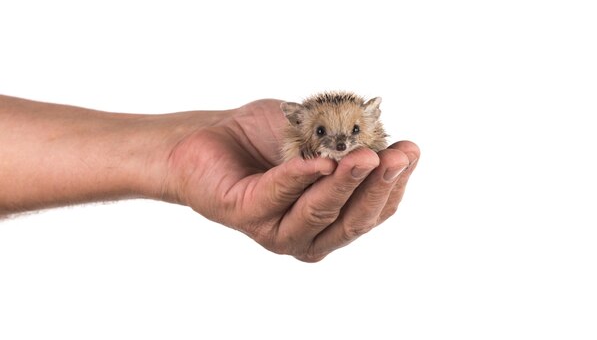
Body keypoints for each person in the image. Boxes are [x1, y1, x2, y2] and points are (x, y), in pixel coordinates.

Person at [0, 94, 419, 262]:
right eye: (325, 132)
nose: (342, 142)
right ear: (297, 122)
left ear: (371, 122)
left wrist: (176, 148)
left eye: (354, 132)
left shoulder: (364, 144)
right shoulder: (299, 144)